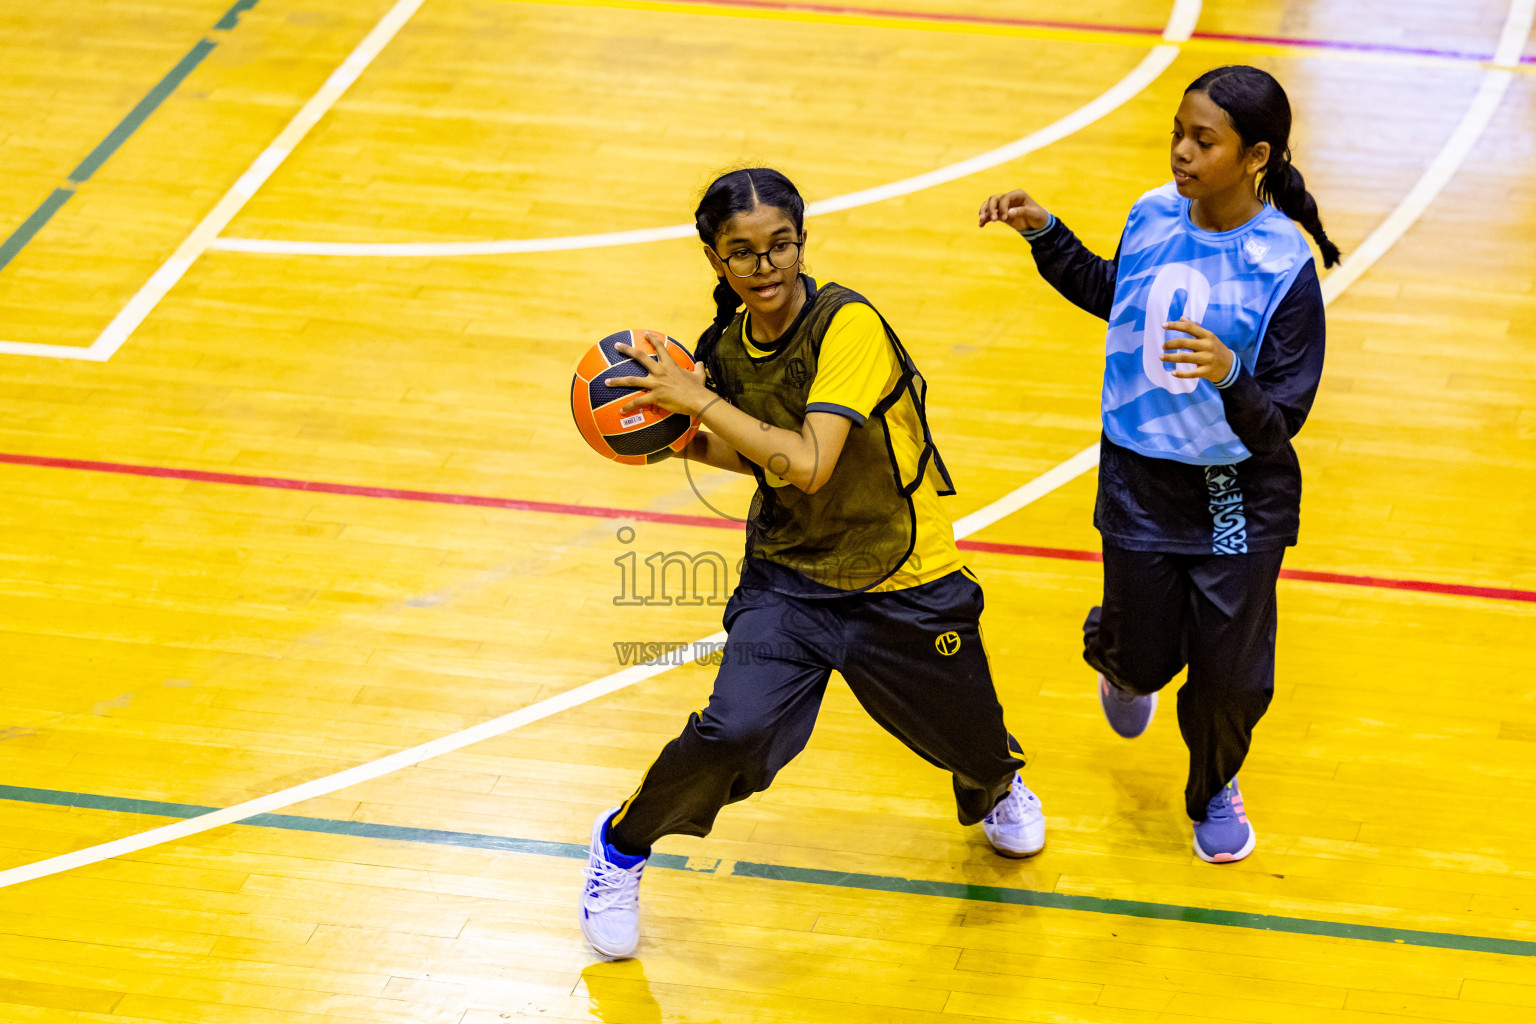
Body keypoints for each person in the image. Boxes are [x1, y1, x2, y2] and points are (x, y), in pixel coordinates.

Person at [578, 167, 1044, 960]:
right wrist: (678, 436)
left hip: (903, 573)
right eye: (743, 253)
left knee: (975, 744)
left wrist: (699, 406)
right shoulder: (725, 349)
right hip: (789, 578)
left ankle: (995, 788)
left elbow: (809, 460)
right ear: (714, 259)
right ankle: (620, 848)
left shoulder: (848, 326)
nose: (766, 268)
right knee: (735, 732)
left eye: (780, 246)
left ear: (802, 241)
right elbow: (758, 457)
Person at [979, 65, 1336, 864]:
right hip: (1141, 481)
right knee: (1143, 656)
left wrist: (1230, 374)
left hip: (1237, 492)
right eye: (1178, 131)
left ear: (1256, 157)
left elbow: (1283, 421)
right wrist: (1046, 234)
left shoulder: (1282, 264)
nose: (1180, 151)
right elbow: (1119, 295)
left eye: (1202, 140)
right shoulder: (1150, 214)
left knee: (1230, 677)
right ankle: (1123, 667)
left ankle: (1213, 784)